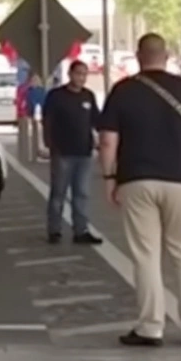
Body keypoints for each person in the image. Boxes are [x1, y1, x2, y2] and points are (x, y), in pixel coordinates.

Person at [97, 33, 181, 348]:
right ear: (167, 55)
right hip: (180, 179)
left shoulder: (123, 91)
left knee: (146, 255)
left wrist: (110, 178)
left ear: (138, 56)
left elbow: (108, 140)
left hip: (137, 180)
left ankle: (151, 327)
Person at [41, 60, 103, 245]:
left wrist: (103, 140)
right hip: (62, 152)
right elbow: (47, 121)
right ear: (70, 74)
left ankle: (81, 230)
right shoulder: (56, 96)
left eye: (85, 74)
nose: (81, 78)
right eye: (78, 74)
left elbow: (96, 121)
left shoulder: (88, 96)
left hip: (84, 152)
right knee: (58, 193)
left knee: (82, 193)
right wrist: (50, 145)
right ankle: (54, 230)